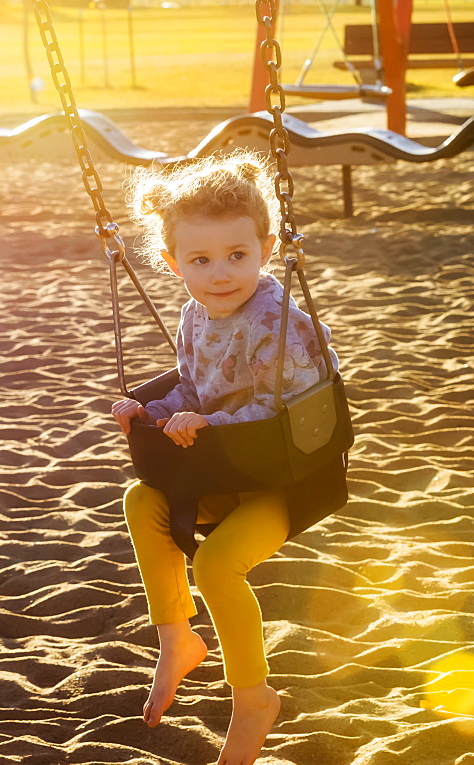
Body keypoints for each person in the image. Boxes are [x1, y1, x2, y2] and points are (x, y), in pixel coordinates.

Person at [111, 151, 338, 765]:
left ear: (266, 247)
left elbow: (287, 413)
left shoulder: (280, 324)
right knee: (142, 498)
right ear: (172, 262)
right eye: (201, 260)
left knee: (215, 566)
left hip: (280, 478)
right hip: (222, 468)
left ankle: (254, 699)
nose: (220, 274)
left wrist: (207, 423)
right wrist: (154, 413)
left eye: (237, 255)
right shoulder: (193, 313)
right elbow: (192, 385)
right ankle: (176, 639)